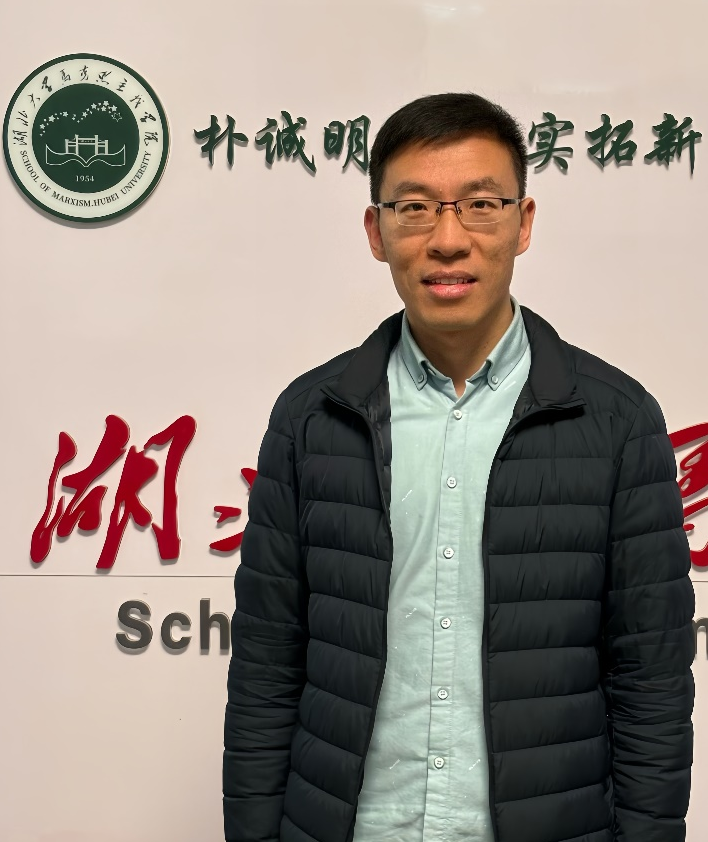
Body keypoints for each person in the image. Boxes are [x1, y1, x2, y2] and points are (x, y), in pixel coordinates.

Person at [222, 92, 695, 842]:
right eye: (414, 208)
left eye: (480, 205)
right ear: (376, 231)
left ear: (523, 222)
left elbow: (652, 678)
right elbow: (266, 667)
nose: (448, 239)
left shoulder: (616, 420)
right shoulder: (311, 417)